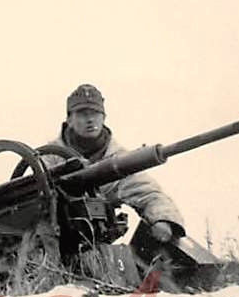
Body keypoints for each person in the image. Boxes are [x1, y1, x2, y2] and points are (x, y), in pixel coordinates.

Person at [46, 83, 185, 242]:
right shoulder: (50, 158)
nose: (90, 120)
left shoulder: (117, 162)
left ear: (104, 117)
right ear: (69, 119)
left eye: (95, 113)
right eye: (83, 114)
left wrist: (163, 219)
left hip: (96, 245)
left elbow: (148, 192)